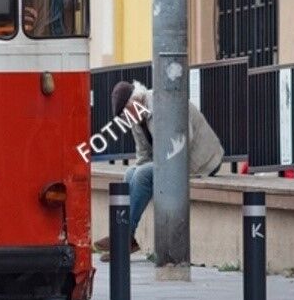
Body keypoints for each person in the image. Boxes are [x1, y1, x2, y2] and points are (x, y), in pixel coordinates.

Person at [94, 78, 224, 255]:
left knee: (141, 175)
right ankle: (123, 234)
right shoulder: (136, 117)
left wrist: (155, 167)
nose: (126, 119)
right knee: (131, 173)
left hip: (199, 160)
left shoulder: (163, 104)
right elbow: (143, 156)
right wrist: (143, 169)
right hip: (170, 161)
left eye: (126, 113)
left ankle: (124, 236)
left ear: (136, 100)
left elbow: (183, 143)